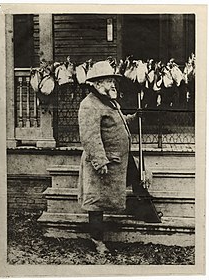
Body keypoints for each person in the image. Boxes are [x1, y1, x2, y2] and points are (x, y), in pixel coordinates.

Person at [78, 60, 140, 254]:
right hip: (102, 162)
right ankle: (97, 240)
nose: (113, 84)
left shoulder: (109, 101)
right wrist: (99, 161)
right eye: (108, 81)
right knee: (96, 202)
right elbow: (90, 136)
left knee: (135, 179)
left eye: (113, 80)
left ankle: (141, 213)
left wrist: (134, 118)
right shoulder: (89, 104)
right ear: (97, 84)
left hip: (117, 159)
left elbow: (115, 124)